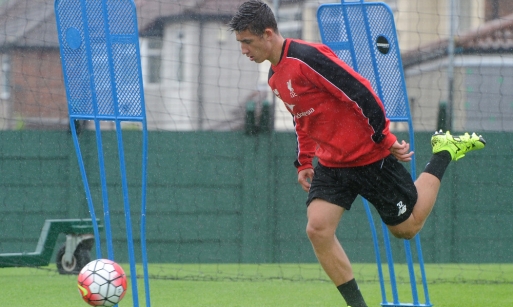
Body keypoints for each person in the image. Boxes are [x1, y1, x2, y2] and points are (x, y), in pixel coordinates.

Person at [229, 1, 486, 306]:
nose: (244, 50)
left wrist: (385, 137)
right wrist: (304, 162)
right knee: (317, 229)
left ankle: (443, 152)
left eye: (247, 42)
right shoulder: (275, 76)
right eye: (240, 43)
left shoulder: (307, 58)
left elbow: (359, 90)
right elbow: (302, 119)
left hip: (370, 157)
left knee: (408, 228)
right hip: (332, 164)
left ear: (268, 33)